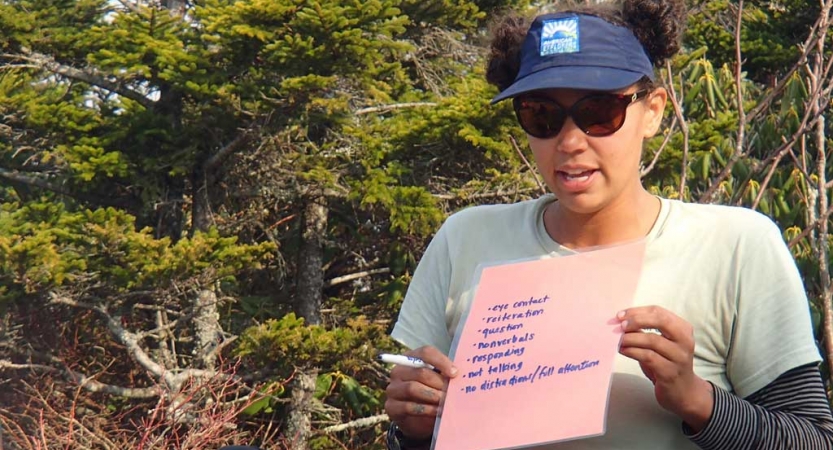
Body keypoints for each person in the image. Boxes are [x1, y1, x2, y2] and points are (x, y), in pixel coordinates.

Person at [383, 0, 833, 449]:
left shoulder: (736, 247)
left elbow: (814, 439)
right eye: (541, 114)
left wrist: (698, 401)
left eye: (599, 113)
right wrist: (412, 429)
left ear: (653, 111)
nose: (570, 141)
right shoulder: (465, 239)